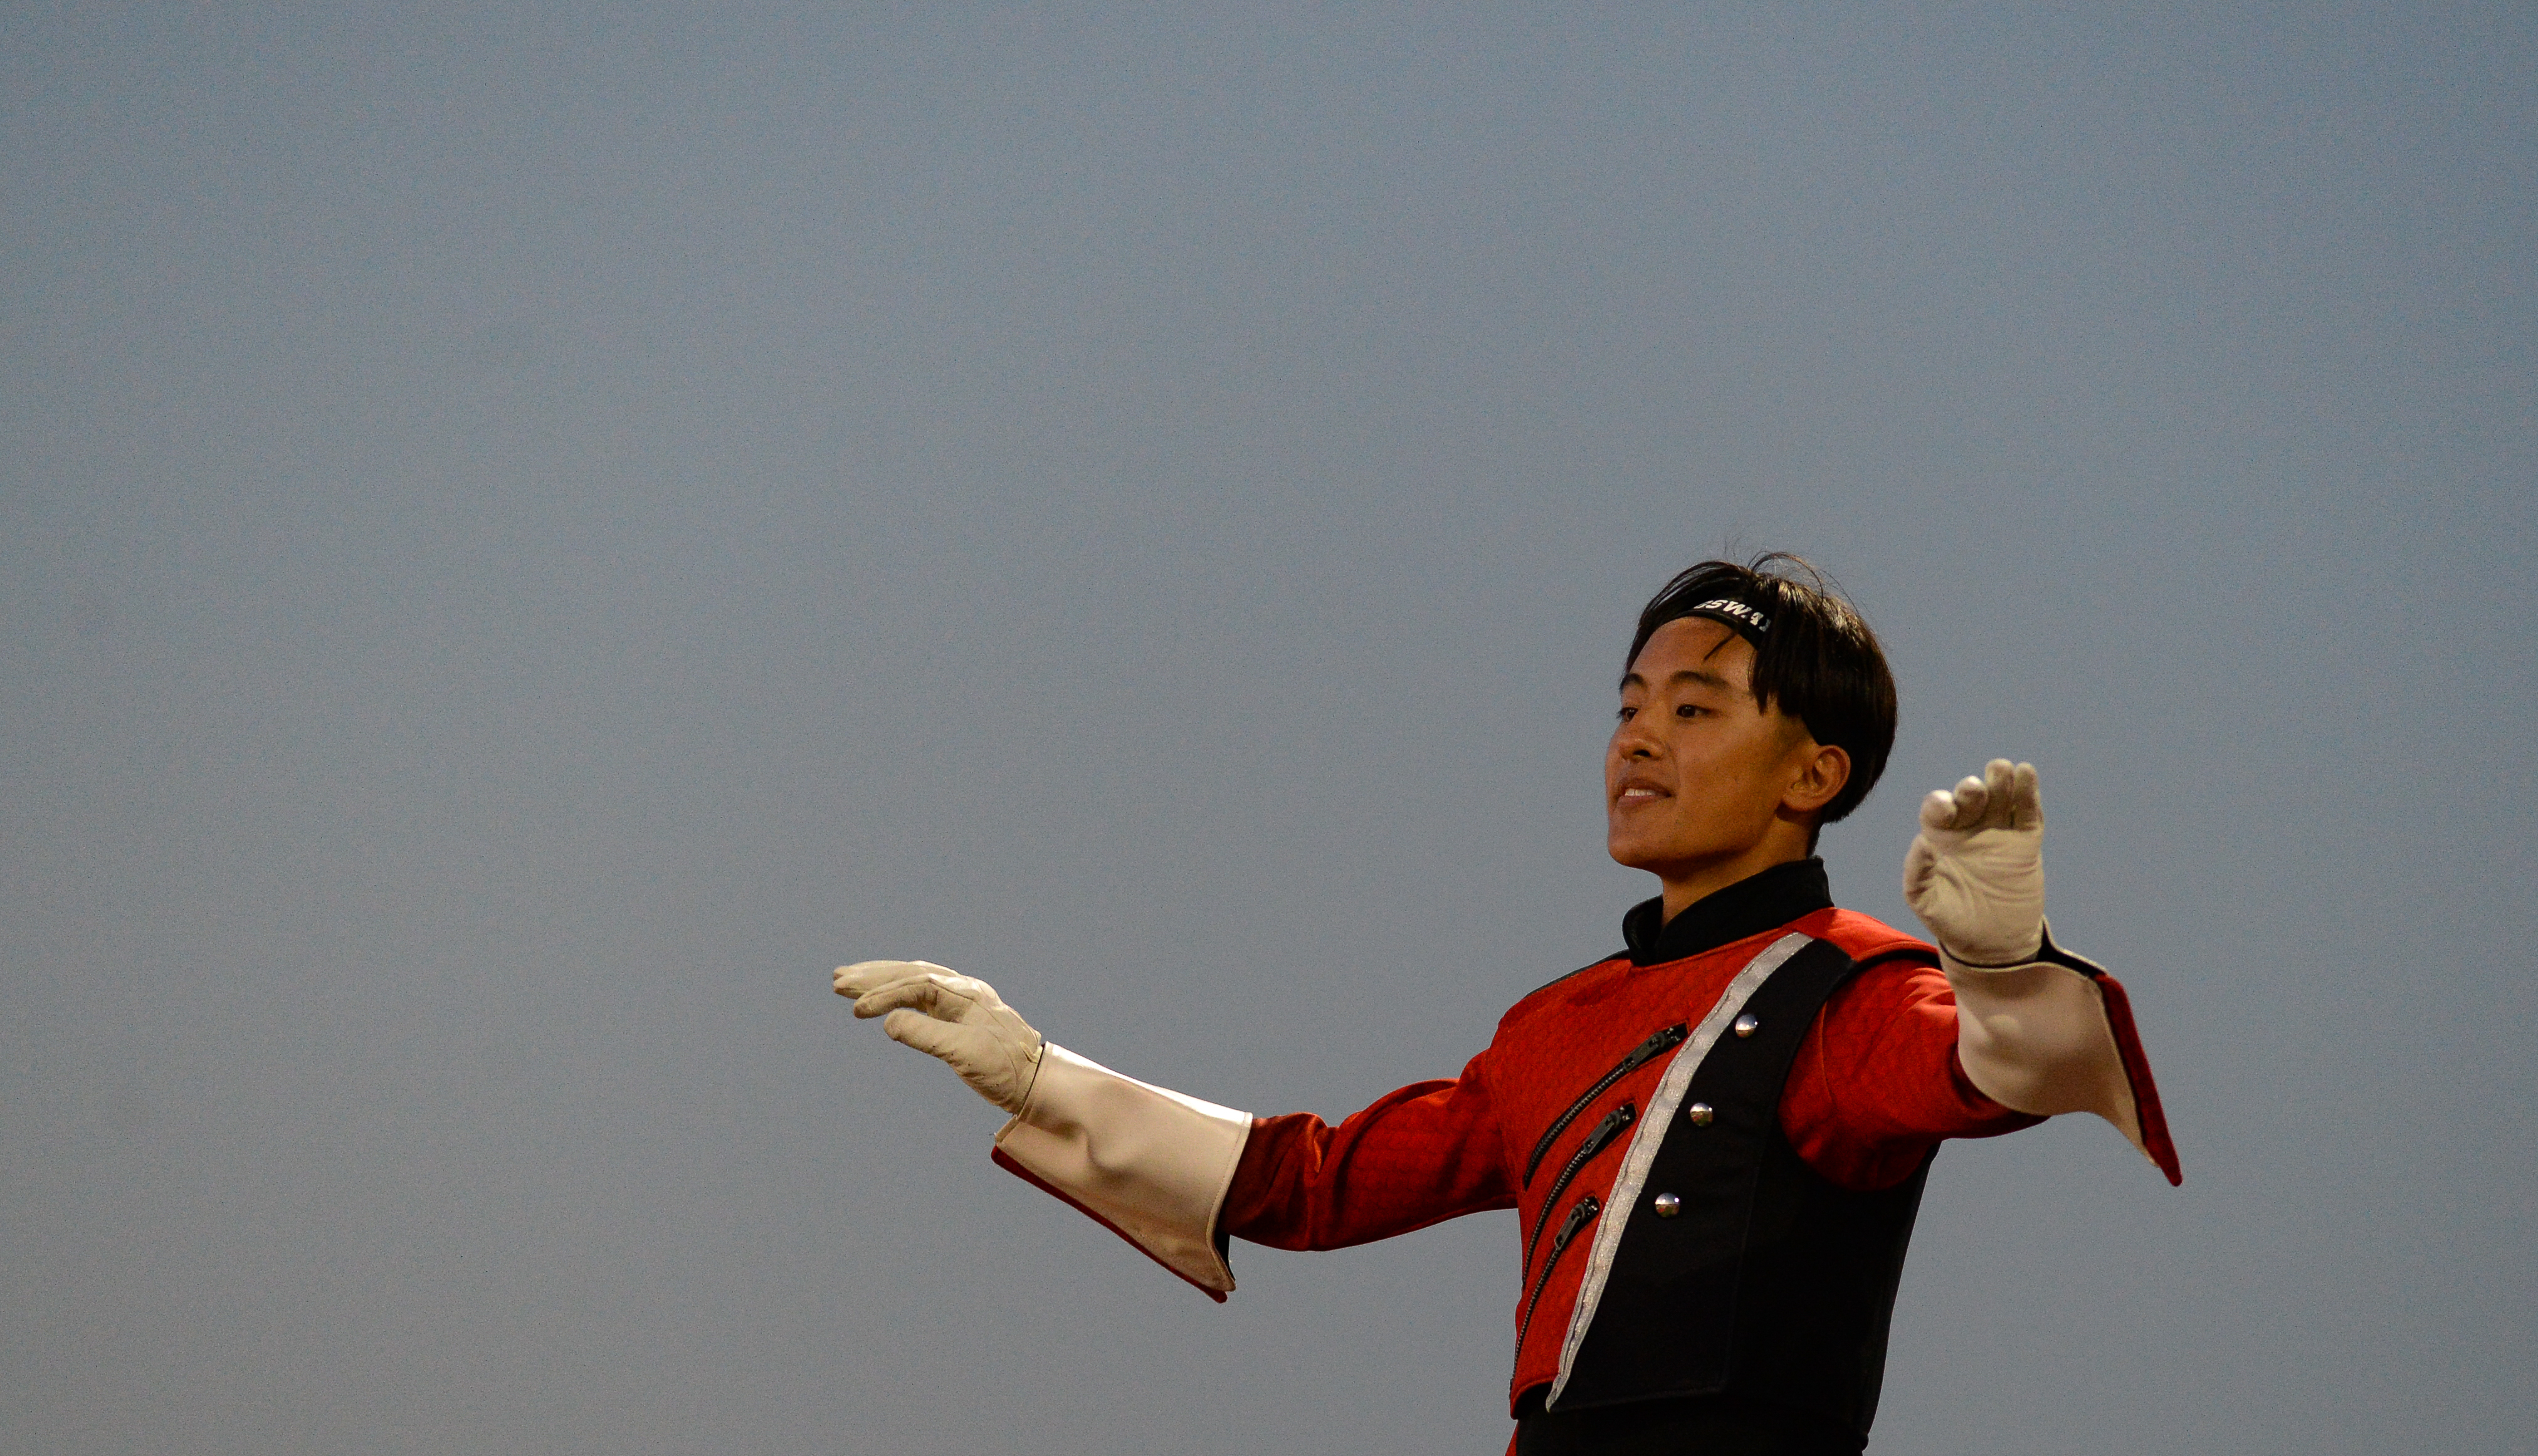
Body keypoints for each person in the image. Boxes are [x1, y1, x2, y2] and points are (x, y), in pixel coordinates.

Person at [835, 554, 2179, 1454]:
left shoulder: (1847, 985)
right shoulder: (1555, 1025)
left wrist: (2000, 960)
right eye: (1629, 705)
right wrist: (1033, 1071)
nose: (1636, 739)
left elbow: (1979, 1074)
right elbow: (1317, 1180)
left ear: (1810, 772)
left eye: (1695, 708)